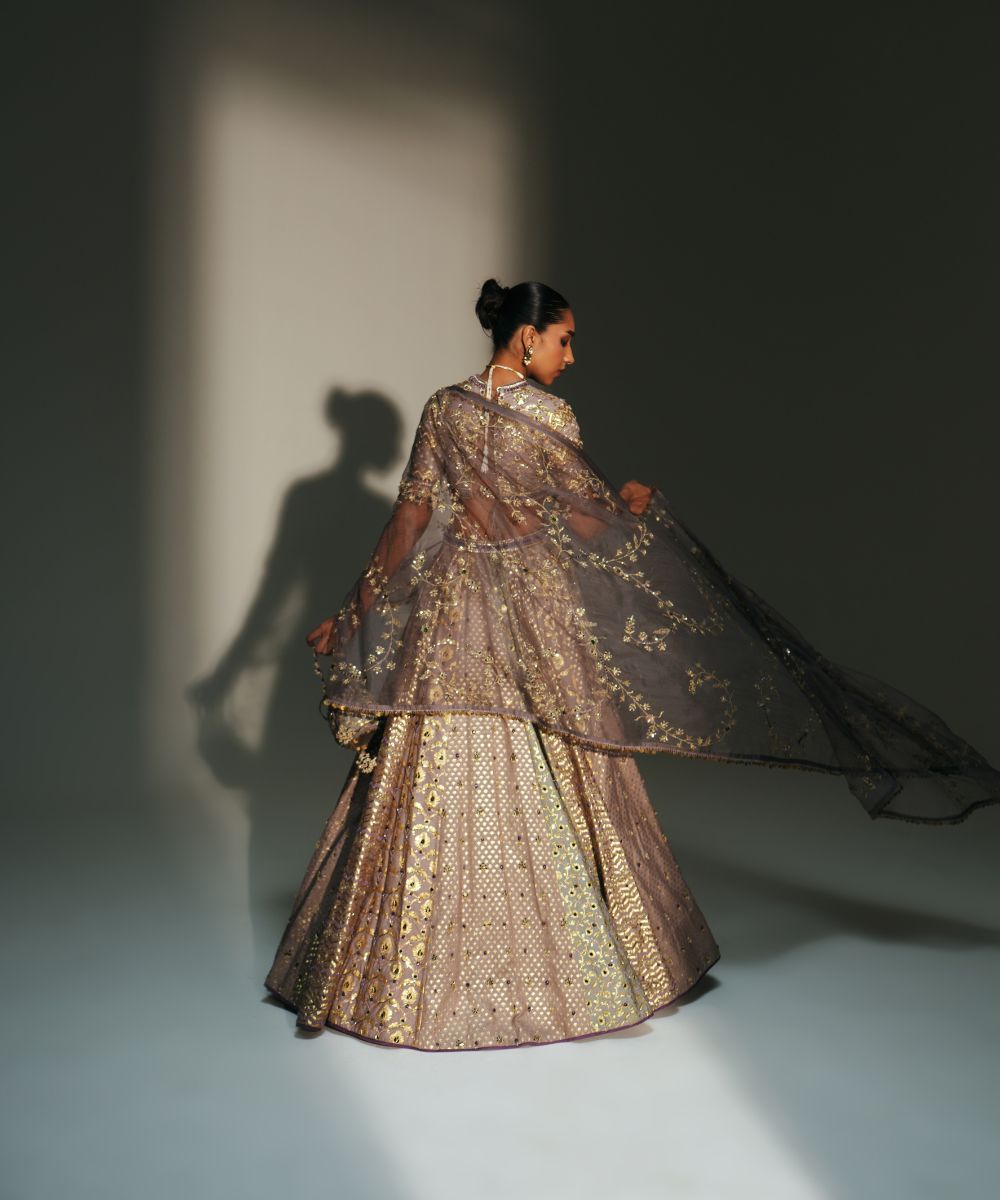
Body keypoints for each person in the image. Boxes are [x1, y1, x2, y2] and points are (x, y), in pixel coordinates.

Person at [264, 278, 999, 1052]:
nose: (571, 356)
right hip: (532, 606)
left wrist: (355, 608)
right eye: (565, 339)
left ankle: (392, 978)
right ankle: (579, 968)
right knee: (570, 750)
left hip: (454, 608)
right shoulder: (550, 416)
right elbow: (586, 526)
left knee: (432, 761)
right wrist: (635, 507)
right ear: (527, 338)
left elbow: (410, 517)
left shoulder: (443, 408)